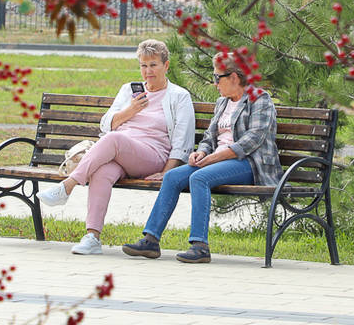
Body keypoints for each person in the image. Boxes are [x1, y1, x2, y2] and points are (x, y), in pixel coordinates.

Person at [38, 39, 195, 255]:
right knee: (101, 171)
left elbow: (183, 141)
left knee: (113, 140)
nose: (147, 71)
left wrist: (166, 173)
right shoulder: (128, 90)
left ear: (166, 66)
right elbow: (106, 123)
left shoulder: (179, 96)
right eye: (143, 65)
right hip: (120, 152)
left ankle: (68, 185)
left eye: (153, 65)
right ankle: (93, 236)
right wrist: (130, 110)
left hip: (152, 155)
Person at [122, 53, 280, 264]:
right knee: (172, 177)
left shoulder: (259, 99)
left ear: (233, 77)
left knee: (199, 177)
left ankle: (200, 246)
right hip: (217, 161)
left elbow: (251, 141)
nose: (214, 83)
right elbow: (209, 137)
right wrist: (202, 152)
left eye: (217, 78)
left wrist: (213, 159)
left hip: (249, 164)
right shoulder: (222, 102)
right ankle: (151, 240)